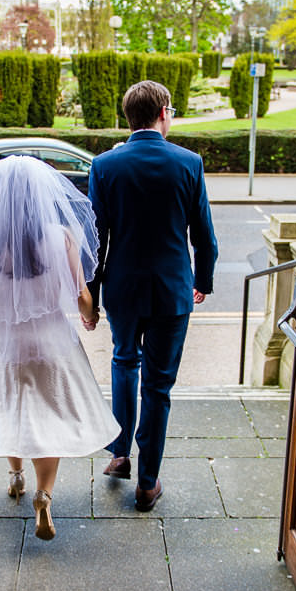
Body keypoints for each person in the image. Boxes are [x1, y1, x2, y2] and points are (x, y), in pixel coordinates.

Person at [0, 154, 119, 541]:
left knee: (6, 409)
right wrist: (91, 315)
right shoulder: (61, 237)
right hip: (50, 345)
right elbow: (80, 295)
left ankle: (15, 475)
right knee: (47, 420)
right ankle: (44, 495)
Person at [87, 80, 219, 512]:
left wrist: (91, 295)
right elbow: (203, 236)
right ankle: (147, 483)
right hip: (171, 291)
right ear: (163, 111)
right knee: (159, 387)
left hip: (121, 288)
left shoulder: (104, 166)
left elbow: (95, 240)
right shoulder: (189, 162)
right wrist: (203, 278)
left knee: (124, 361)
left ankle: (119, 452)